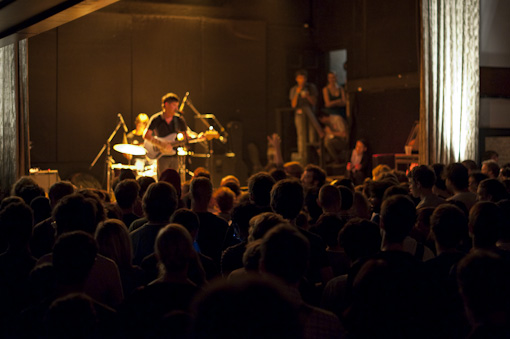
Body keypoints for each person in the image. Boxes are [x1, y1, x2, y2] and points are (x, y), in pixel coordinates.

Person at [144, 93, 189, 178]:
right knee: (162, 179)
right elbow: (146, 135)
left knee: (173, 179)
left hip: (174, 155)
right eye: (174, 105)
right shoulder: (156, 119)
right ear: (166, 105)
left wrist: (199, 138)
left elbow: (186, 137)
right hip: (161, 156)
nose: (176, 108)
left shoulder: (179, 120)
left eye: (177, 106)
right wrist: (161, 144)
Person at [289, 69, 322, 164]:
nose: (302, 80)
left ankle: (313, 158)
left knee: (312, 136)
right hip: (299, 115)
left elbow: (314, 102)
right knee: (301, 135)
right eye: (300, 78)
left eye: (303, 78)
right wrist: (297, 93)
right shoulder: (294, 89)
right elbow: (293, 105)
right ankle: (303, 158)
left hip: (311, 114)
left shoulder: (311, 87)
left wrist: (307, 96)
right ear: (296, 79)